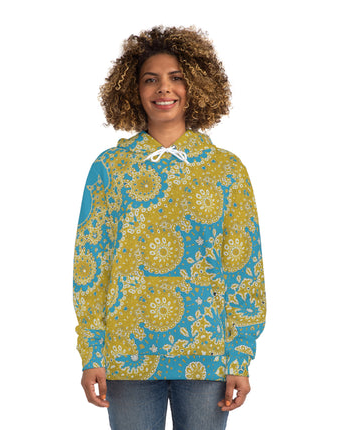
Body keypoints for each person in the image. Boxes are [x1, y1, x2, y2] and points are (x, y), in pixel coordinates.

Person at [73, 25, 266, 430]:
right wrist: (92, 351)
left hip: (207, 356)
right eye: (151, 79)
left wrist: (240, 356)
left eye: (176, 77)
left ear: (196, 85)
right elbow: (91, 264)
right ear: (133, 89)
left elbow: (243, 267)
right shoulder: (109, 169)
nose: (164, 88)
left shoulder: (226, 170)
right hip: (127, 355)